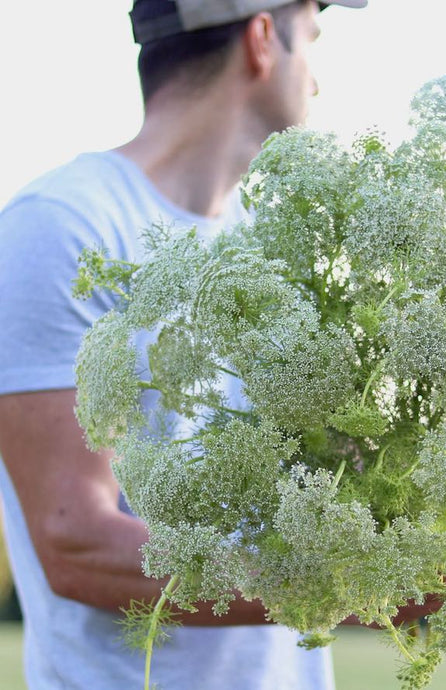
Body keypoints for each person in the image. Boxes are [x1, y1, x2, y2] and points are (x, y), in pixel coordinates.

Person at [0, 1, 375, 688]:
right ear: (263, 39)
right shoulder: (60, 227)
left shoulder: (283, 243)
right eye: (313, 40)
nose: (318, 78)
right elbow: (76, 543)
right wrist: (349, 584)